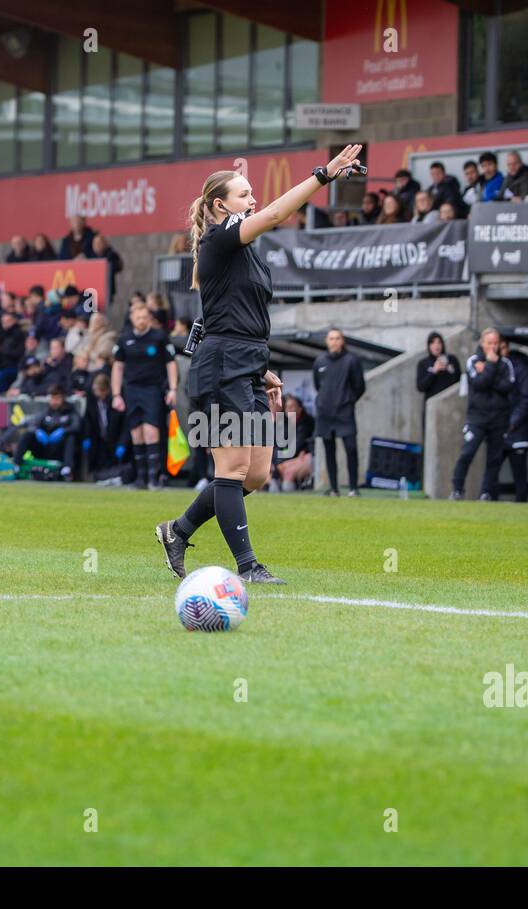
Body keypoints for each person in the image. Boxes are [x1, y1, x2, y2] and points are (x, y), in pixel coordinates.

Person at [155, 143, 364, 586]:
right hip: (220, 366)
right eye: (245, 194)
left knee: (258, 475)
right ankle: (248, 566)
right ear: (220, 205)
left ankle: (177, 530)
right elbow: (272, 216)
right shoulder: (218, 238)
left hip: (248, 363)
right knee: (229, 470)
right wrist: (323, 175)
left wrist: (262, 367)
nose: (253, 200)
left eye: (253, 194)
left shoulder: (246, 251)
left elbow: (238, 316)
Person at [111, 302, 176, 490]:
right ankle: (140, 477)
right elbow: (117, 366)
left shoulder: (160, 337)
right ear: (132, 319)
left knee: (151, 431)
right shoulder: (124, 338)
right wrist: (116, 394)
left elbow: (170, 363)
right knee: (136, 432)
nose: (141, 320)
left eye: (144, 317)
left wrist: (172, 388)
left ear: (149, 318)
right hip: (131, 389)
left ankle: (153, 477)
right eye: (138, 317)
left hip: (153, 389)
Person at [451, 327, 513, 501]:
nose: (493, 347)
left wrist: (488, 368)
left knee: (494, 458)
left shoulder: (506, 363)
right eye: (489, 343)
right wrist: (492, 368)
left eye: (495, 343)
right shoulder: (473, 361)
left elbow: (507, 387)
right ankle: (457, 489)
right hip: (477, 417)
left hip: (499, 418)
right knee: (467, 453)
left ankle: (486, 492)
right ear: (482, 343)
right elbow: (479, 384)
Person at [313, 327, 366, 497]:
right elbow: (317, 385)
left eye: (337, 338)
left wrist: (347, 400)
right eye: (331, 338)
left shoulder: (352, 360)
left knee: (351, 449)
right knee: (329, 451)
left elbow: (360, 387)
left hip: (345, 412)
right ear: (326, 341)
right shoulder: (319, 361)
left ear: (342, 341)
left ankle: (353, 488)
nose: (334, 341)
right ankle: (334, 489)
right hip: (325, 414)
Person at [16, 386, 80, 479]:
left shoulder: (71, 412)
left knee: (71, 437)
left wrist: (63, 431)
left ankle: (67, 469)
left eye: (57, 398)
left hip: (60, 449)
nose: (54, 402)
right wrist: (37, 431)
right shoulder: (47, 412)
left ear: (63, 398)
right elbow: (34, 424)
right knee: (27, 435)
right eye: (52, 398)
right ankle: (16, 465)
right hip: (45, 447)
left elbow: (76, 426)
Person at [501, 340, 528, 502]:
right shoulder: (490, 367)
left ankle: (523, 509)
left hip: (518, 432)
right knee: (490, 475)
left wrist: (512, 423)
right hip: (497, 431)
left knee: (520, 476)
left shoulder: (522, 370)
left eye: (500, 346)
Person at [272, 394, 315, 491]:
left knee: (287, 472)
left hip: (304, 458)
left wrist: (279, 462)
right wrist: (279, 462)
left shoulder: (306, 423)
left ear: (300, 409)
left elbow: (295, 447)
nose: (289, 410)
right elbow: (277, 447)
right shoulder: (284, 423)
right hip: (285, 460)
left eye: (292, 407)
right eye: (287, 407)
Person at [416, 331, 459, 416]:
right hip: (431, 409)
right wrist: (434, 371)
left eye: (439, 342)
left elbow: (458, 381)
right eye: (433, 343)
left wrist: (448, 368)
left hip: (450, 405)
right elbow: (421, 386)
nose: (436, 346)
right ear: (429, 346)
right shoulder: (423, 363)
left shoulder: (451, 359)